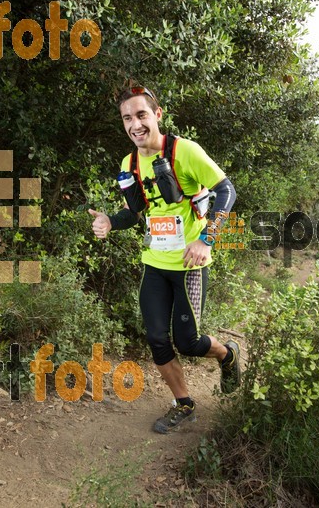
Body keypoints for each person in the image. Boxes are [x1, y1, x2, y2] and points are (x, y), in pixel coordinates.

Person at [88, 85, 240, 434]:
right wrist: (111, 221)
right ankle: (184, 404)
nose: (135, 124)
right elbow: (134, 211)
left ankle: (227, 354)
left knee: (188, 342)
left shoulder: (184, 151)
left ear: (157, 115)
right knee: (157, 338)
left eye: (141, 115)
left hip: (189, 266)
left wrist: (207, 238)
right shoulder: (128, 164)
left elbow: (226, 190)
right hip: (155, 264)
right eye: (127, 118)